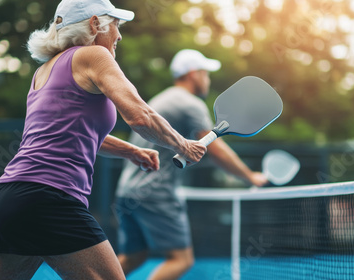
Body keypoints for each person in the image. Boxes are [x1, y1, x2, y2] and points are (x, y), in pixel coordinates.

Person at [0, 1, 207, 279]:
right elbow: (141, 116)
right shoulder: (95, 56)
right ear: (94, 24)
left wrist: (131, 151)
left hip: (8, 200)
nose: (119, 34)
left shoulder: (42, 72)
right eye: (115, 24)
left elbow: (78, 133)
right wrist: (183, 144)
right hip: (50, 198)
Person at [114, 49, 269, 280]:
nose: (208, 79)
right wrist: (251, 177)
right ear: (193, 74)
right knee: (181, 260)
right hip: (156, 191)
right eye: (205, 73)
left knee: (133, 257)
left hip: (127, 191)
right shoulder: (190, 104)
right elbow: (217, 151)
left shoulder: (161, 99)